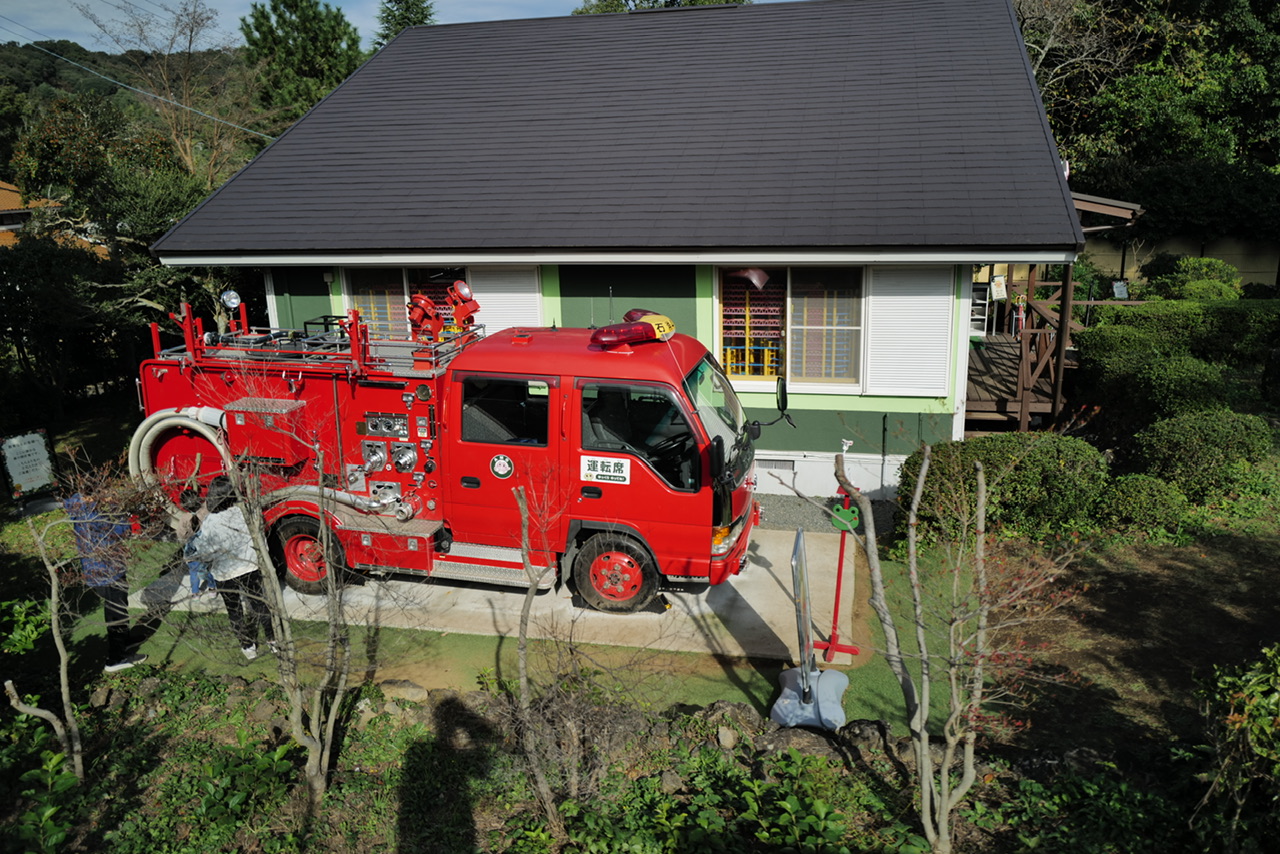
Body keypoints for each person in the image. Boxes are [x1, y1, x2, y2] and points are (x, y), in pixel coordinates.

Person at [188, 476, 276, 660]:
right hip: (250, 567)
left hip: (225, 572)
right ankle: (273, 640)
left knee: (235, 611)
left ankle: (248, 646)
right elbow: (259, 537)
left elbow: (205, 552)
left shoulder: (211, 522)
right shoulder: (244, 512)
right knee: (260, 604)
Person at [64, 493, 147, 673]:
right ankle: (115, 659)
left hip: (98, 572)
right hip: (108, 573)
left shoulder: (78, 508)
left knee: (118, 608)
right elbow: (122, 531)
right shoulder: (95, 517)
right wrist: (117, 507)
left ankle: (124, 640)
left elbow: (69, 502)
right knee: (115, 612)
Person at [176, 489, 215, 597]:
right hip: (206, 547)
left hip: (191, 549)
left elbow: (181, 536)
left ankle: (195, 593)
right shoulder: (206, 510)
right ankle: (212, 588)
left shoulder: (184, 518)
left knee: (193, 571)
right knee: (206, 569)